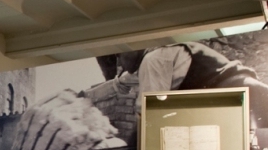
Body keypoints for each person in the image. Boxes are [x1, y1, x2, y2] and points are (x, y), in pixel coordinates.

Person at [113, 42, 268, 127]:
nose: (119, 62)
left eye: (119, 56)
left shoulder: (153, 60)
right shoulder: (160, 54)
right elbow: (123, 81)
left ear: (134, 46)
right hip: (243, 91)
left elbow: (149, 113)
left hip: (239, 96)